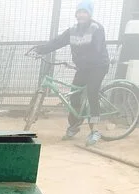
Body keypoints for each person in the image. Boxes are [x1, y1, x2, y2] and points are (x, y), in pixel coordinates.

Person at [34, 0, 110, 145]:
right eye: (79, 12)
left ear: (89, 14)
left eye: (84, 12)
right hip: (83, 68)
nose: (81, 15)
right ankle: (74, 125)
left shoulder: (97, 28)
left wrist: (82, 59)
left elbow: (97, 49)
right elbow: (58, 41)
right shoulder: (72, 30)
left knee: (92, 92)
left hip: (98, 66)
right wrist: (41, 49)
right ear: (76, 14)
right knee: (74, 95)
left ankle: (95, 130)